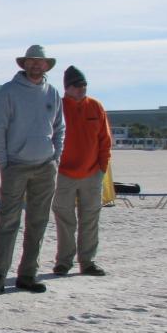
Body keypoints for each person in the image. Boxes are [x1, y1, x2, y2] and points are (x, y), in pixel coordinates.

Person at [0, 45, 65, 296]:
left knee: (38, 222)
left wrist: (56, 158)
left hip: (45, 167)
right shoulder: (9, 91)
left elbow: (60, 128)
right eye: (31, 61)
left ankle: (27, 275)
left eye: (40, 62)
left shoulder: (52, 93)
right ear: (24, 64)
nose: (36, 65)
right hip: (15, 166)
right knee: (7, 222)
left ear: (47, 66)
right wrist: (4, 163)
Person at [52, 66, 111, 277]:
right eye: (76, 85)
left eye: (84, 85)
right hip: (63, 174)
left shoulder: (95, 106)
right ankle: (63, 262)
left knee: (90, 218)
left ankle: (87, 262)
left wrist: (102, 167)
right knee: (64, 219)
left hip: (92, 173)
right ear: (67, 87)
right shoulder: (58, 107)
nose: (81, 88)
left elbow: (105, 140)